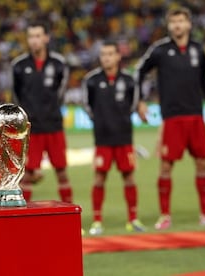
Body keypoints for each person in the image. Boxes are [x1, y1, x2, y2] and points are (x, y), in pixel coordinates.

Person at [135, 7, 205, 230]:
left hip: (195, 115)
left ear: (189, 24)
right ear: (169, 25)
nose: (177, 25)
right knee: (165, 167)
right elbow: (139, 71)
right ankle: (165, 215)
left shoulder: (197, 49)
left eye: (181, 21)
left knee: (202, 164)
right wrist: (140, 100)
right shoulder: (160, 49)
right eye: (173, 22)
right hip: (171, 117)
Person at [82, 41, 146, 235]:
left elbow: (133, 104)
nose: (106, 58)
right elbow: (88, 106)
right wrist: (101, 120)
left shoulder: (128, 80)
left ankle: (133, 219)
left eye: (110, 54)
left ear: (118, 56)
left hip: (124, 137)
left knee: (129, 177)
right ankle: (97, 221)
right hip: (102, 138)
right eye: (103, 55)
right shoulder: (91, 80)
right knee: (100, 178)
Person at [10, 21, 73, 203]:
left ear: (46, 38)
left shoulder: (59, 63)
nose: (34, 40)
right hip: (30, 129)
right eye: (31, 37)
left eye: (38, 36)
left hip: (53, 125)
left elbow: (60, 94)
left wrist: (49, 110)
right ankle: (23, 219)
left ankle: (70, 216)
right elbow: (16, 97)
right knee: (27, 174)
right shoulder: (19, 65)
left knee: (61, 172)